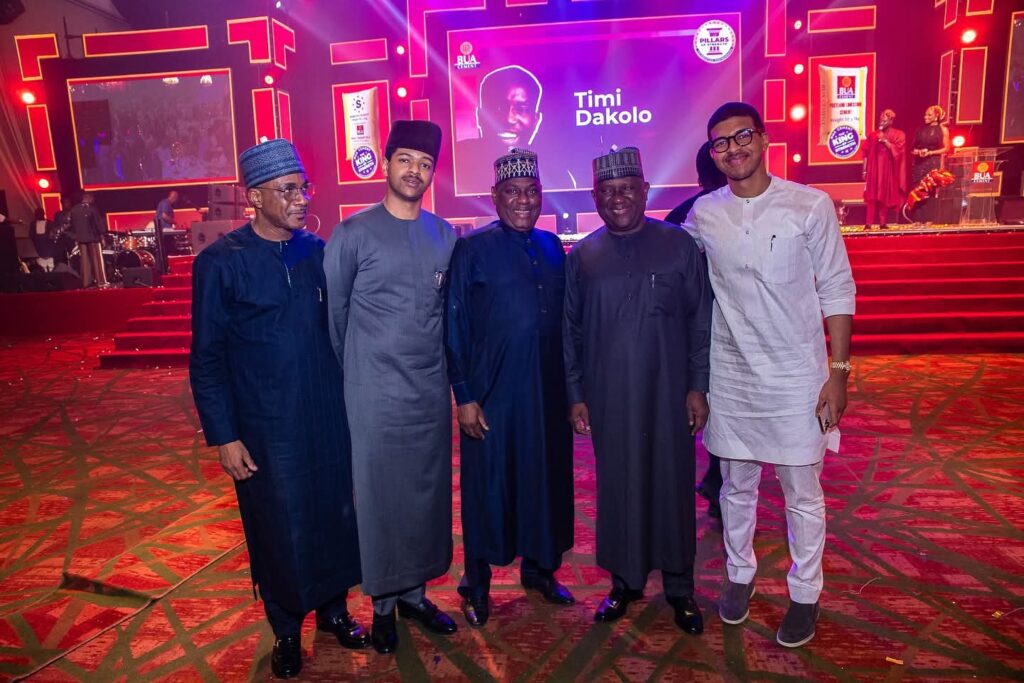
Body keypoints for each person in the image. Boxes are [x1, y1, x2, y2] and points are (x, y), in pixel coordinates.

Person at [189, 139, 368, 679]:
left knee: (334, 518)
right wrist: (224, 436)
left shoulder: (316, 251)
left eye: (302, 188)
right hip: (267, 430)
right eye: (287, 190)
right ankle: (286, 630)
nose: (300, 199)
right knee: (280, 528)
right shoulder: (220, 263)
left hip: (327, 418)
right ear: (255, 197)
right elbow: (207, 359)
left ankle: (333, 612)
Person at [684, 101, 855, 648]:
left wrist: (838, 373)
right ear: (712, 155)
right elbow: (674, 267)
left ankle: (806, 592)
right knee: (736, 486)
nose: (732, 149)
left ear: (762, 139)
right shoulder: (704, 214)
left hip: (796, 376)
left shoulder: (809, 205)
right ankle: (739, 574)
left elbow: (837, 287)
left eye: (742, 137)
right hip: (732, 375)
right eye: (721, 143)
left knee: (802, 491)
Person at [563, 146, 712, 635]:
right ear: (595, 197)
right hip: (609, 397)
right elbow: (571, 331)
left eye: (627, 189)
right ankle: (624, 583)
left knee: (672, 485)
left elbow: (700, 320)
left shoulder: (678, 245)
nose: (618, 199)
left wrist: (697, 386)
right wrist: (576, 394)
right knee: (619, 487)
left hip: (669, 393)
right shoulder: (584, 256)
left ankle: (680, 587)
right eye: (607, 192)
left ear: (644, 191)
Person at [325, 120, 459, 654]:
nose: (414, 171)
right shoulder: (353, 233)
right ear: (385, 164)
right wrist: (359, 374)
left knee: (425, 497)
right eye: (405, 159)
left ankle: (415, 596)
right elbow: (334, 318)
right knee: (380, 499)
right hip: (373, 394)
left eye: (425, 164)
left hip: (429, 393)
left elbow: (447, 318)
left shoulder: (445, 236)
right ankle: (383, 605)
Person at [445, 148, 575, 628]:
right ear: (495, 196)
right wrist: (464, 395)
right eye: (512, 192)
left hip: (547, 395)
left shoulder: (551, 246)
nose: (524, 200)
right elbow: (454, 325)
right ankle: (476, 585)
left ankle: (540, 571)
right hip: (493, 396)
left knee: (546, 482)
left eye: (532, 191)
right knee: (489, 489)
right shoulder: (471, 249)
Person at [666, 141, 729, 520]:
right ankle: (718, 483)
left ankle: (704, 484)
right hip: (720, 330)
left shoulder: (677, 215)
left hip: (686, 333)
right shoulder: (702, 214)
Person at [455, 66, 544, 194]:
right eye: (498, 107)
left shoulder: (554, 172)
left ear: (536, 119)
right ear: (480, 116)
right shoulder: (459, 164)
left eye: (521, 109)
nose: (509, 119)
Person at [862, 109, 907, 229]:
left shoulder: (898, 134)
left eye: (885, 119)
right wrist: (864, 170)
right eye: (881, 118)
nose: (882, 121)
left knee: (884, 195)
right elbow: (865, 153)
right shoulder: (872, 135)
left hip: (887, 170)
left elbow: (898, 152)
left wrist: (885, 141)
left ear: (891, 121)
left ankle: (883, 223)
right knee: (871, 196)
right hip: (874, 169)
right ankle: (868, 223)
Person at [909, 105, 951, 225]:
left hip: (932, 162)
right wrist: (918, 152)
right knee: (918, 189)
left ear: (936, 116)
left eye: (929, 115)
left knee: (930, 189)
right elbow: (912, 148)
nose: (925, 117)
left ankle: (929, 219)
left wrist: (930, 152)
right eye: (925, 114)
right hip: (919, 163)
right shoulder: (920, 129)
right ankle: (917, 219)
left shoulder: (942, 129)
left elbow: (946, 148)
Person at [69, 192, 107, 288]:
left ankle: (86, 282)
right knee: (97, 261)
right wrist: (102, 236)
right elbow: (98, 223)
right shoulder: (91, 208)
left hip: (81, 239)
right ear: (88, 198)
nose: (93, 200)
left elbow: (72, 225)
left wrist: (77, 236)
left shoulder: (74, 209)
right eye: (92, 198)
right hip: (93, 238)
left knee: (85, 262)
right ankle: (100, 281)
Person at [154, 189, 178, 274]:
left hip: (165, 231)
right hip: (164, 231)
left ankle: (164, 269)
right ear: (174, 197)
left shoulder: (166, 204)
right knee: (167, 250)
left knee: (165, 250)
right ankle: (163, 270)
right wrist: (174, 222)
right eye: (176, 198)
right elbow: (164, 216)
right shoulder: (165, 203)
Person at [31, 207, 56, 272]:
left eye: (40, 213)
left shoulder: (50, 223)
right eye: (37, 214)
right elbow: (31, 237)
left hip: (50, 254)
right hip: (39, 254)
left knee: (53, 272)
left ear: (43, 213)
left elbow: (53, 236)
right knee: (42, 273)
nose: (38, 215)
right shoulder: (33, 225)